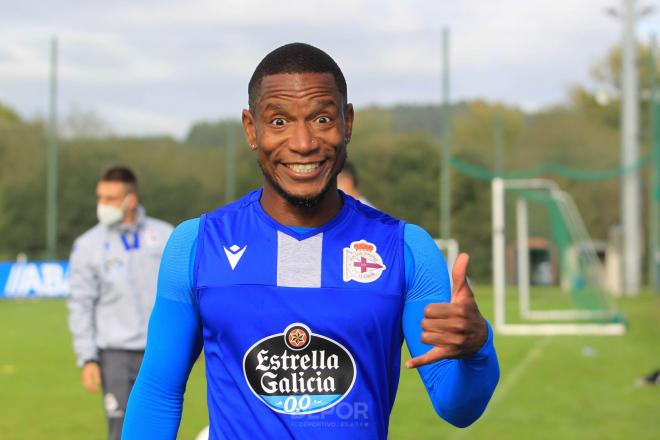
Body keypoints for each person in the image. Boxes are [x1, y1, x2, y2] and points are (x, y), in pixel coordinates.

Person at [123, 43, 499, 439]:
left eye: (321, 118)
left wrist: (477, 350)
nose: (303, 143)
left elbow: (458, 407)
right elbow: (158, 393)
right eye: (279, 121)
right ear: (252, 129)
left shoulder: (406, 250)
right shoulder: (197, 245)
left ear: (347, 122)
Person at [67, 166, 173, 440]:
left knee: (160, 429)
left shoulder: (165, 236)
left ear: (131, 200)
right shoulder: (87, 245)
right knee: (121, 431)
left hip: (160, 350)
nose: (102, 205)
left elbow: (183, 294)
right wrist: (88, 357)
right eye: (100, 197)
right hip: (114, 356)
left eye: (111, 198)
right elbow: (80, 303)